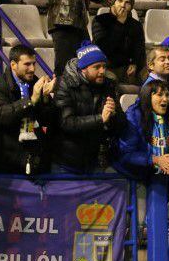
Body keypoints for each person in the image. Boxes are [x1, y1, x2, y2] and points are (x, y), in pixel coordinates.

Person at [52, 42, 124, 173]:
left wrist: (114, 115)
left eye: (104, 66)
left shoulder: (109, 85)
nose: (102, 71)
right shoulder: (65, 84)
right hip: (66, 161)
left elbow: (120, 126)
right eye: (97, 67)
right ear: (83, 69)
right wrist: (100, 119)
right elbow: (66, 122)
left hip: (94, 159)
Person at [0, 44, 57, 175]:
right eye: (27, 64)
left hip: (35, 153)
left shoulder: (35, 83)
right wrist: (31, 100)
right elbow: (3, 116)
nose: (32, 69)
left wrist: (46, 98)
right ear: (13, 65)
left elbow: (47, 120)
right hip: (8, 156)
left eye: (34, 64)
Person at [46, 0, 107, 77]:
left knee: (88, 60)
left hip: (78, 23)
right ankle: (60, 91)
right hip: (62, 22)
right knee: (64, 66)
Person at [114, 79, 169, 181]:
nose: (165, 99)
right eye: (159, 95)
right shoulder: (133, 117)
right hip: (136, 177)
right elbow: (125, 155)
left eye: (167, 95)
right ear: (147, 97)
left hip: (164, 175)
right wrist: (155, 160)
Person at [92, 0, 146, 87]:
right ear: (114, 3)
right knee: (111, 79)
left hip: (125, 67)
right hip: (104, 66)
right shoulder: (100, 21)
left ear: (131, 7)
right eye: (120, 1)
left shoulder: (136, 25)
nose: (123, 5)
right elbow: (104, 48)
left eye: (127, 3)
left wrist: (135, 64)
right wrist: (119, 23)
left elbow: (139, 49)